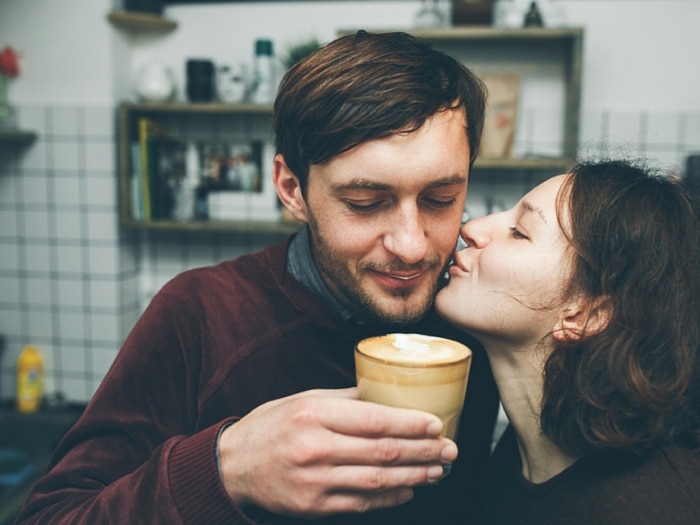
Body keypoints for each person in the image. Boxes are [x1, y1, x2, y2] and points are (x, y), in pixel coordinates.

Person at [15, 31, 500, 524]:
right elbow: (49, 516)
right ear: (292, 189)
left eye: (440, 199)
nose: (413, 246)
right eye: (364, 204)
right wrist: (226, 470)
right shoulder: (200, 314)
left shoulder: (475, 314)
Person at [435, 159, 700, 524]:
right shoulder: (519, 455)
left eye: (518, 232)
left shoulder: (657, 508)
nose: (472, 228)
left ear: (584, 316)